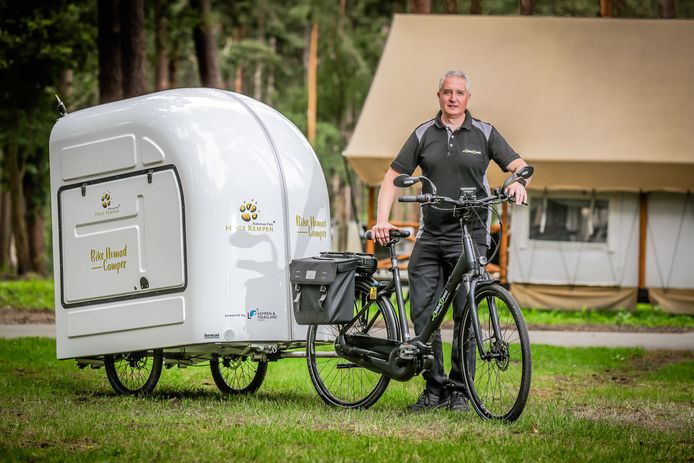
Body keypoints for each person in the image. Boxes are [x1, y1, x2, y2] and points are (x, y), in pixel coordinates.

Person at [371, 70, 531, 412]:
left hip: (471, 235)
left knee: (466, 313)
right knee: (425, 315)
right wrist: (382, 219)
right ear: (439, 96)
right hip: (431, 237)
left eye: (459, 92)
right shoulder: (423, 133)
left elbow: (519, 166)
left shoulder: (485, 133)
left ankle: (460, 391)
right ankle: (435, 389)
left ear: (468, 98)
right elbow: (391, 178)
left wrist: (518, 182)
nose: (453, 98)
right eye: (447, 92)